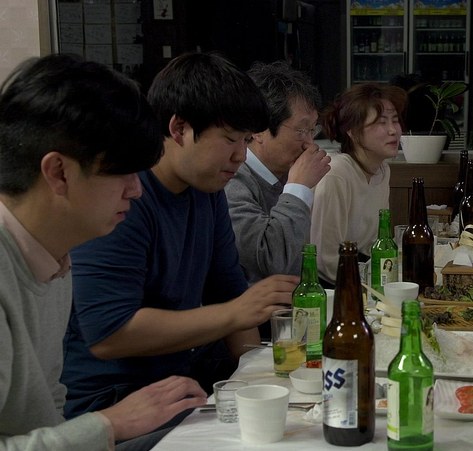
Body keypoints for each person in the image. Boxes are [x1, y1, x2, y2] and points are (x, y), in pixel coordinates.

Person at [61, 52, 299, 419]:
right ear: (179, 129)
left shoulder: (208, 189)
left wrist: (256, 379)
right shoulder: (123, 197)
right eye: (230, 139)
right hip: (116, 399)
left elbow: (230, 291)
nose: (240, 156)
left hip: (185, 379)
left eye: (246, 140)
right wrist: (234, 313)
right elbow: (109, 333)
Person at [0, 54, 207, 450]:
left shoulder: (54, 257)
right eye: (122, 173)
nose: (136, 190)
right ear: (58, 172)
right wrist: (109, 424)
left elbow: (47, 408)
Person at [225, 60, 331, 284]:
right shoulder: (232, 179)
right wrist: (298, 189)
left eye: (312, 130)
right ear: (258, 130)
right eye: (301, 130)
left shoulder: (284, 175)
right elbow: (272, 260)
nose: (310, 144)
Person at [310, 83, 407, 286]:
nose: (393, 130)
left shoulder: (382, 170)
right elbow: (325, 260)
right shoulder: (336, 173)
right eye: (381, 122)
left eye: (395, 120)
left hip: (360, 275)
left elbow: (374, 244)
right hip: (329, 286)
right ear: (353, 132)